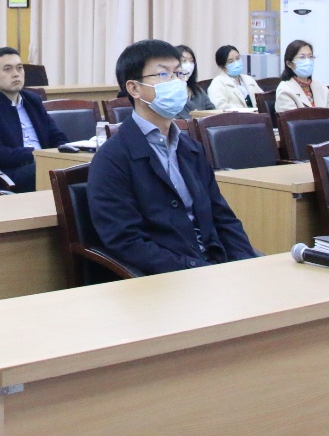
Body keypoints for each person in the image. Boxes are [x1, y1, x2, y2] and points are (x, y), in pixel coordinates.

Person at [88, 39, 257, 275]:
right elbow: (126, 241)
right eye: (163, 74)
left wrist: (246, 264)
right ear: (134, 88)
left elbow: (222, 217)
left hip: (214, 265)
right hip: (170, 276)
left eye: (178, 73)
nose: (176, 82)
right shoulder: (112, 159)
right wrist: (197, 270)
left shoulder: (191, 149)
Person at [0, 47, 69, 191]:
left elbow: (57, 136)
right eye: (7, 69)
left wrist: (64, 153)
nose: (16, 74)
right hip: (11, 174)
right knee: (49, 172)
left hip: (43, 163)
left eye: (19, 68)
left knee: (80, 167)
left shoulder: (32, 100)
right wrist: (35, 154)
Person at [273, 40, 329, 112]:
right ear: (289, 64)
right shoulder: (285, 90)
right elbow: (291, 118)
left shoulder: (322, 88)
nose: (307, 61)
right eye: (302, 57)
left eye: (310, 57)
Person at [207, 44, 263, 111]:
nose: (236, 63)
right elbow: (220, 108)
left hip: (257, 116)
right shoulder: (217, 84)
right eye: (231, 61)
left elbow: (263, 99)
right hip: (235, 117)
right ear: (222, 67)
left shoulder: (248, 79)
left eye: (238, 58)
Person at [173, 44, 214, 118]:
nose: (189, 65)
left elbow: (212, 109)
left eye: (191, 61)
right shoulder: (169, 91)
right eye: (184, 61)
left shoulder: (197, 90)